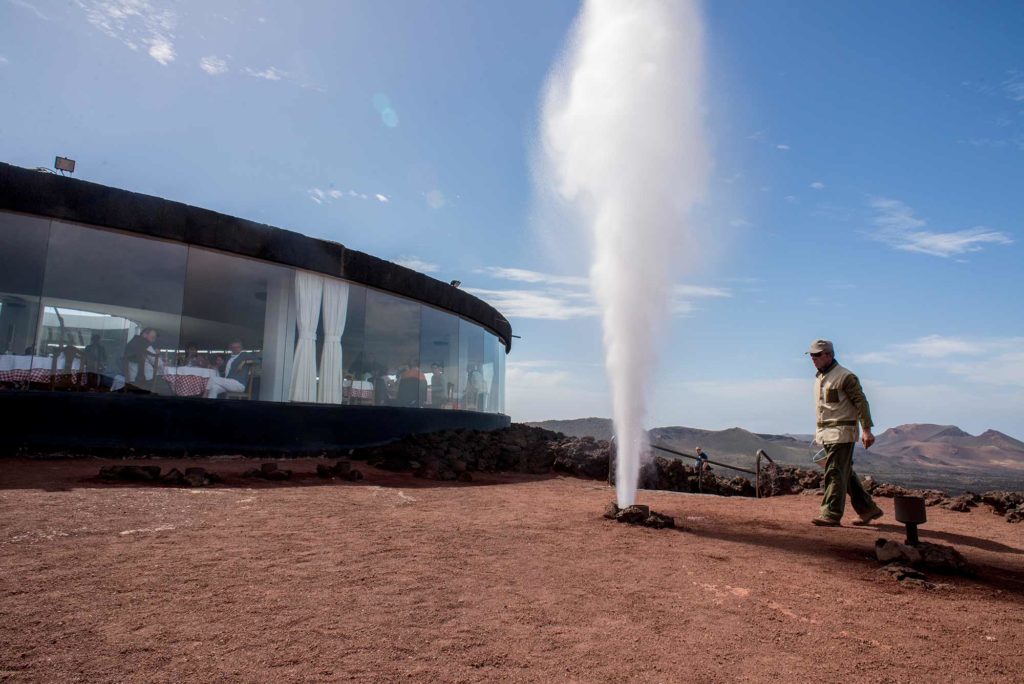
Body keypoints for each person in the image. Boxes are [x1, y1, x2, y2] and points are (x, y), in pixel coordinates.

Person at [807, 339, 884, 527]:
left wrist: (867, 430)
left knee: (834, 471)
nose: (813, 358)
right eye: (811, 355)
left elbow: (861, 402)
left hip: (842, 433)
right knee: (844, 472)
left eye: (817, 355)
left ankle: (831, 513)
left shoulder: (845, 376)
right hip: (827, 433)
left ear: (829, 355)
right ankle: (868, 509)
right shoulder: (820, 377)